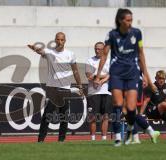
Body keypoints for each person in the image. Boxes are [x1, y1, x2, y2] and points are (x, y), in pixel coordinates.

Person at [94, 8, 156, 147]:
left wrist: (145, 75)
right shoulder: (112, 34)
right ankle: (117, 138)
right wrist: (98, 75)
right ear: (120, 20)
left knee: (130, 107)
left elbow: (141, 54)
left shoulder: (137, 33)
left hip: (132, 73)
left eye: (131, 20)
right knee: (117, 104)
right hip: (116, 73)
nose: (130, 23)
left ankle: (130, 132)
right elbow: (104, 55)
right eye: (127, 20)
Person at [28, 32, 84, 142]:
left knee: (64, 116)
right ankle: (40, 140)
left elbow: (75, 71)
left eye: (62, 40)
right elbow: (40, 51)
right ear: (55, 40)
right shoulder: (50, 52)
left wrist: (80, 86)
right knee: (47, 115)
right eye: (58, 39)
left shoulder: (70, 54)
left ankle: (61, 140)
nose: (60, 42)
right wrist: (34, 48)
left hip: (65, 89)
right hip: (53, 89)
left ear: (65, 41)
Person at [85, 42, 112, 141]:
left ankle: (104, 138)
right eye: (96, 49)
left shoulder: (109, 61)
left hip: (106, 92)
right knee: (93, 116)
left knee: (105, 116)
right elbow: (89, 75)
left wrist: (100, 80)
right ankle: (92, 138)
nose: (97, 50)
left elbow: (111, 75)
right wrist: (101, 77)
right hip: (93, 92)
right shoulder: (90, 60)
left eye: (99, 49)